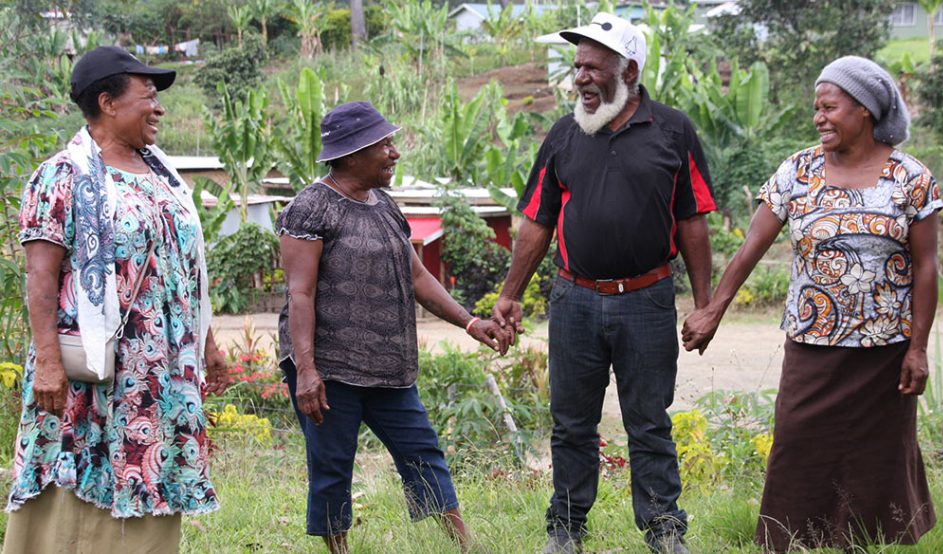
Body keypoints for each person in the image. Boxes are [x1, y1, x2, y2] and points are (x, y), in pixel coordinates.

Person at [682, 56, 940, 552]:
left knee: (877, 458)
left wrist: (919, 348)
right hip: (812, 346)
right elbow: (751, 246)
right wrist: (714, 309)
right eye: (816, 109)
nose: (819, 117)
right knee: (797, 449)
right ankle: (790, 542)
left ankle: (862, 543)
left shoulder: (911, 177)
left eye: (829, 107)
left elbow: (927, 266)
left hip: (885, 352)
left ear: (864, 110)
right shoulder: (797, 172)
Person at [492, 13, 715, 554]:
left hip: (647, 299)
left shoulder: (673, 130)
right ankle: (566, 528)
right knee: (571, 425)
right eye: (577, 68)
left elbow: (693, 221)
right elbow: (537, 221)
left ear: (629, 70)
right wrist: (510, 294)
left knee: (649, 423)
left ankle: (663, 529)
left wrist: (706, 305)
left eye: (593, 67)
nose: (580, 79)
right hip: (574, 300)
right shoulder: (565, 134)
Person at [3, 46, 229, 554]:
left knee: (150, 465)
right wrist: (48, 366)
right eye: (147, 94)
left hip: (160, 371)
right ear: (107, 102)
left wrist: (207, 342)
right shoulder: (62, 175)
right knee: (83, 462)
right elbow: (40, 278)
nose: (159, 106)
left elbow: (184, 269)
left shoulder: (165, 176)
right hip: (92, 370)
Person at [276, 101, 509, 554]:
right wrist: (306, 369)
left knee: (423, 451)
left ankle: (465, 547)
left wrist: (470, 321)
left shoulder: (383, 205)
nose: (394, 152)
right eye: (383, 144)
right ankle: (339, 549)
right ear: (350, 155)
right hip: (330, 369)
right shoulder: (310, 207)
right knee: (332, 465)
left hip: (390, 368)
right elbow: (298, 293)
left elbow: (418, 276)